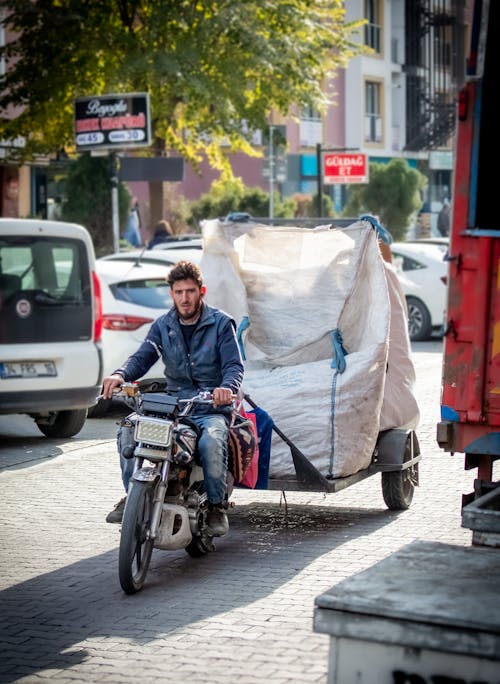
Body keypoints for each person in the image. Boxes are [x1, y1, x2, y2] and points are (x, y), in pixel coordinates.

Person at [102, 260, 244, 536]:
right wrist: (120, 374)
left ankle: (216, 506)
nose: (185, 298)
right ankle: (133, 495)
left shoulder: (221, 324)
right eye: (179, 292)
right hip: (174, 405)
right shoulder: (163, 325)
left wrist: (226, 387)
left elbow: (234, 366)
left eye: (190, 291)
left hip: (209, 406)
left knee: (212, 440)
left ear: (201, 291)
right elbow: (143, 357)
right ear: (172, 294)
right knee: (130, 429)